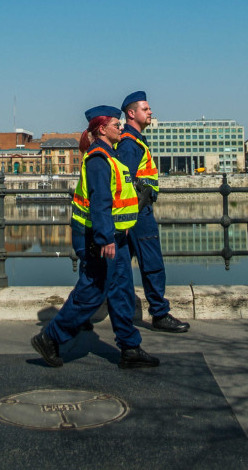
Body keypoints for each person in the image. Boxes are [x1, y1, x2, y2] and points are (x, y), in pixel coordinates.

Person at [31, 105, 160, 369]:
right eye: (116, 125)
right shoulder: (99, 159)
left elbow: (117, 197)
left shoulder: (110, 155)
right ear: (102, 129)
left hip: (115, 235)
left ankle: (130, 348)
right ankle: (50, 338)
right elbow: (100, 202)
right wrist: (105, 239)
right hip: (100, 237)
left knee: (121, 290)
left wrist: (121, 227)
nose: (121, 128)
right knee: (92, 291)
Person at [116, 90, 190, 333]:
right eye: (145, 109)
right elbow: (124, 182)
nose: (150, 112)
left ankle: (85, 314)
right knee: (152, 262)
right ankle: (159, 314)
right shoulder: (130, 143)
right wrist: (130, 217)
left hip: (134, 211)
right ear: (131, 113)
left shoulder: (133, 141)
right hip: (138, 213)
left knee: (118, 266)